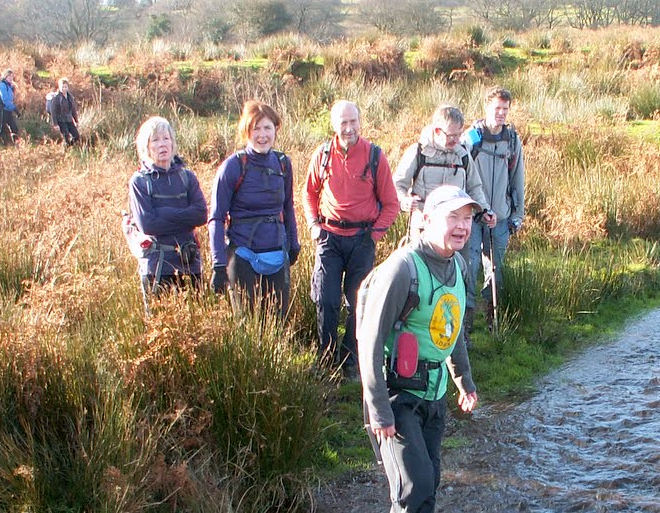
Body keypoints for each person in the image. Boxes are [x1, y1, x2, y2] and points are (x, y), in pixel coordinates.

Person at [356, 185, 481, 513]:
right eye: (453, 217)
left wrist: (463, 380)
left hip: (434, 393)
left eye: (467, 218)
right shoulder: (401, 270)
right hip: (395, 397)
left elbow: (453, 328)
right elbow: (369, 344)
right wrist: (377, 409)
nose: (462, 226)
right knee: (415, 481)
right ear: (427, 219)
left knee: (432, 480)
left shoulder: (459, 266)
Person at [303, 100, 400, 377]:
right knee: (326, 300)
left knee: (360, 302)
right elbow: (308, 193)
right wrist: (313, 225)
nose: (349, 128)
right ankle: (325, 360)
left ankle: (349, 360)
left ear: (360, 122)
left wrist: (374, 236)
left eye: (353, 122)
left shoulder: (374, 156)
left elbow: (391, 203)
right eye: (343, 123)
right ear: (334, 125)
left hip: (361, 239)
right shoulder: (322, 154)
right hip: (329, 238)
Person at [392, 104, 492, 320]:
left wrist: (485, 211)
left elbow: (475, 187)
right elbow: (397, 184)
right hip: (424, 228)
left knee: (457, 277)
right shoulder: (417, 153)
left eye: (459, 134)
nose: (456, 140)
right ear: (437, 131)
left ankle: (456, 329)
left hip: (456, 230)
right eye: (451, 135)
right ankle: (416, 324)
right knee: (420, 277)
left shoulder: (463, 155)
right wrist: (404, 201)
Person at [209, 100, 300, 320]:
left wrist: (293, 243)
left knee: (277, 324)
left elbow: (288, 207)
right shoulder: (233, 166)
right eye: (256, 128)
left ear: (275, 129)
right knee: (247, 324)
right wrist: (219, 264)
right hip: (243, 255)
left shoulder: (283, 164)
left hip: (277, 253)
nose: (262, 135)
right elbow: (216, 217)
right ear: (246, 132)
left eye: (267, 128)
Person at [462, 86, 525, 332]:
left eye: (505, 109)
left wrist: (517, 216)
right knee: (470, 266)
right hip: (473, 215)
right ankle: (465, 326)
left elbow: (517, 178)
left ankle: (493, 322)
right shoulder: (471, 138)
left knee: (496, 270)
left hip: (500, 216)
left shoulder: (512, 140)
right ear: (486, 107)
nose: (501, 113)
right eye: (497, 108)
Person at [127, 116, 208, 302]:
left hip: (190, 265)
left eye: (166, 138)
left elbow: (201, 214)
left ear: (172, 142)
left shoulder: (187, 177)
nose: (162, 144)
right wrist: (185, 217)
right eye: (155, 140)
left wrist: (163, 212)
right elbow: (148, 225)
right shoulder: (139, 182)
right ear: (146, 147)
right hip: (157, 267)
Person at [0, 68, 19, 147]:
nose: (11, 78)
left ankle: (17, 147)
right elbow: (5, 100)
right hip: (2, 110)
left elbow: (10, 99)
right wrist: (14, 108)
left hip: (8, 110)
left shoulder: (8, 86)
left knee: (14, 128)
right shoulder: (2, 85)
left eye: (12, 77)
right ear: (5, 77)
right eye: (9, 76)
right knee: (0, 129)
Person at [49, 77, 81, 146]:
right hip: (61, 120)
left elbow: (73, 110)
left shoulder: (70, 97)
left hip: (69, 120)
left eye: (65, 87)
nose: (64, 89)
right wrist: (55, 124)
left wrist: (76, 121)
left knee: (76, 136)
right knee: (66, 137)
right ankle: (65, 151)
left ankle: (69, 147)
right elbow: (53, 112)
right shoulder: (56, 98)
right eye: (62, 87)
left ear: (68, 87)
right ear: (59, 87)